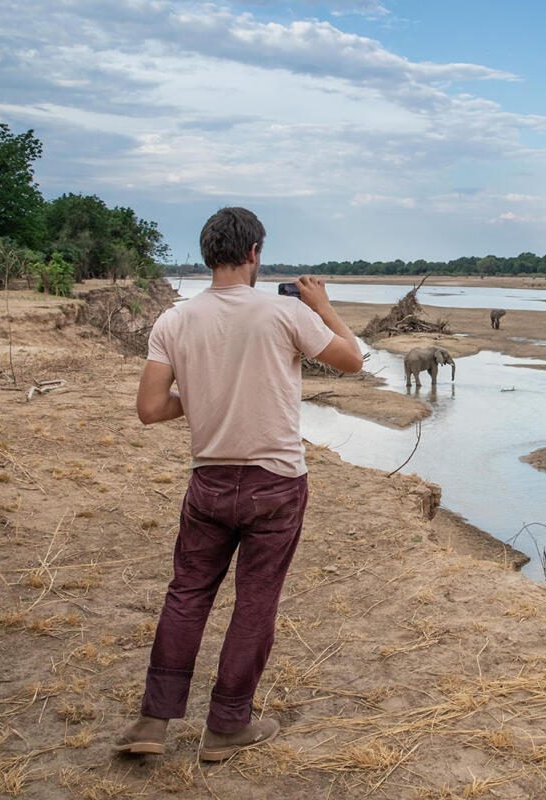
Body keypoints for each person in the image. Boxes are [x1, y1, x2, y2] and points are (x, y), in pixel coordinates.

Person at [113, 207, 363, 762]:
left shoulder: (173, 321)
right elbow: (352, 361)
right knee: (255, 603)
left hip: (208, 481)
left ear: (207, 254)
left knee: (186, 595)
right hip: (274, 484)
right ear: (255, 253)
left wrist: (205, 394)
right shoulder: (282, 313)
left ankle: (153, 720)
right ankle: (227, 725)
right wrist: (322, 307)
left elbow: (151, 409)